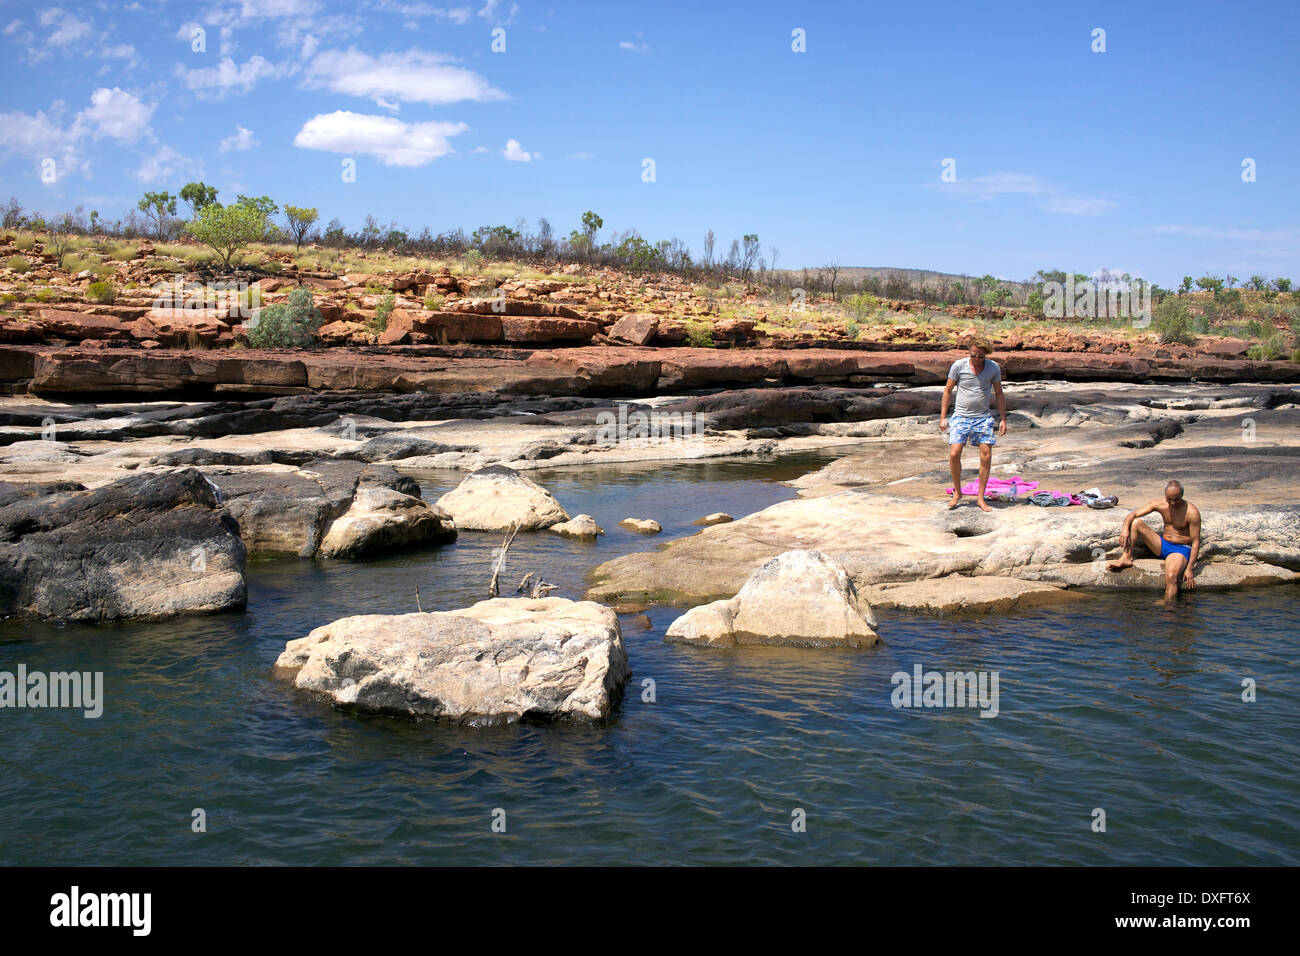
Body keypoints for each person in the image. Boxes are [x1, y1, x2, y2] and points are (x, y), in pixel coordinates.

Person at [1106, 480, 1201, 604]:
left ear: (1182, 496)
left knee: (1172, 576)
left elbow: (1195, 542)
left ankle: (1168, 604)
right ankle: (1126, 557)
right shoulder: (1160, 504)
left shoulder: (1192, 512)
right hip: (1163, 544)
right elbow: (1134, 514)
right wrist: (1124, 529)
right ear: (1165, 495)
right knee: (1136, 523)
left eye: (1176, 499)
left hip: (1180, 549)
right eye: (1169, 499)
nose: (1172, 503)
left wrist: (1189, 568)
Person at [939, 339, 1008, 512]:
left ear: (986, 354)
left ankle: (980, 498)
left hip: (982, 418)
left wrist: (1003, 419)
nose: (976, 359)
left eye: (980, 356)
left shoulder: (993, 367)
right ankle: (958, 492)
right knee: (954, 453)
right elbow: (947, 391)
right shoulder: (958, 366)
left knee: (986, 456)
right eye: (973, 355)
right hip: (961, 417)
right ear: (969, 351)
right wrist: (943, 417)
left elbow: (999, 394)